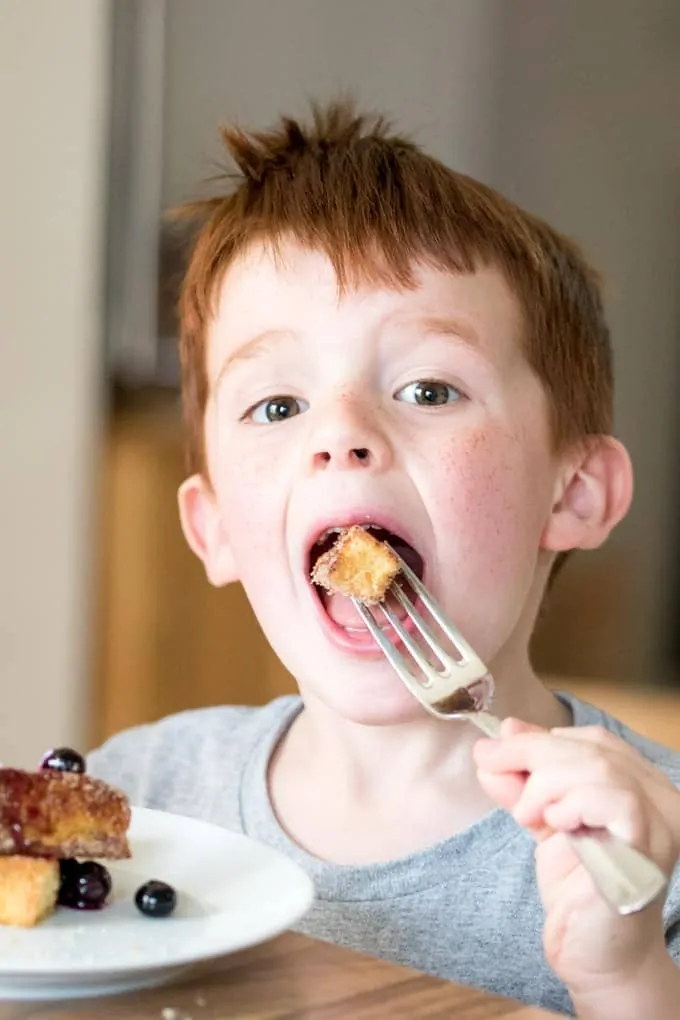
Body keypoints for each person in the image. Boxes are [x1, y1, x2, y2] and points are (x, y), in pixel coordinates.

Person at [88, 102, 680, 1018]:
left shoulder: (650, 848)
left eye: (428, 388)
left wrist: (625, 980)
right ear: (213, 530)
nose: (341, 435)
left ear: (572, 494)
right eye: (277, 405)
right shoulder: (134, 804)